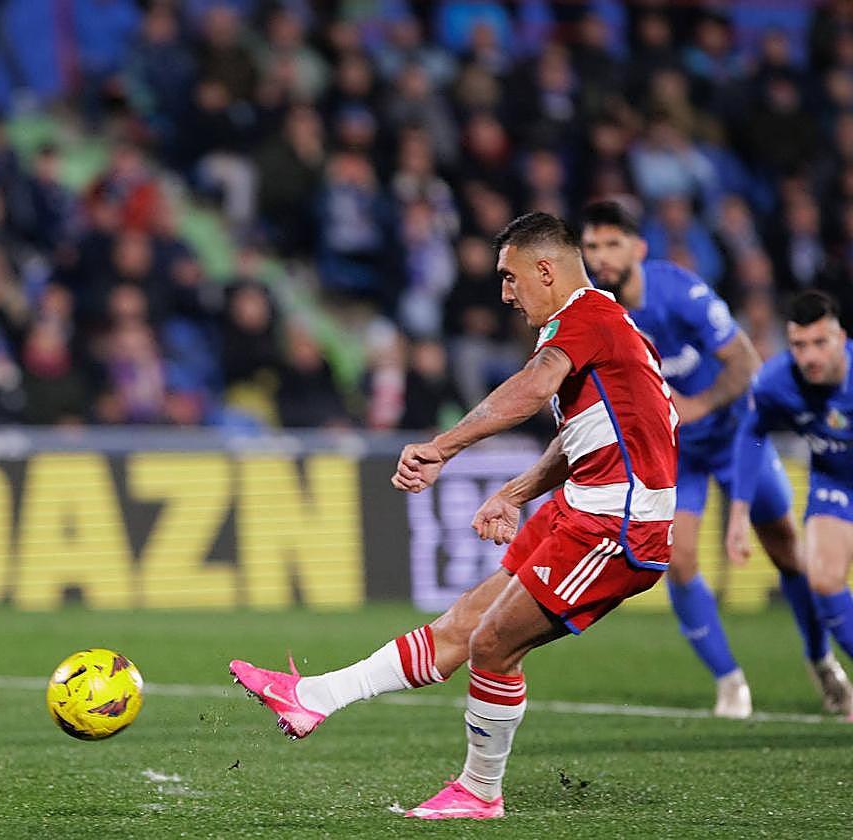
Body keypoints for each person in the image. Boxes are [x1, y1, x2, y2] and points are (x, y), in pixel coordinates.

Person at [230, 213, 679, 820]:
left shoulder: (584, 319)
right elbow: (586, 436)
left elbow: (531, 387)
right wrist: (516, 493)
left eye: (511, 277)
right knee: (465, 622)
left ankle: (479, 791)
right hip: (582, 506)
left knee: (493, 644)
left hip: (617, 526)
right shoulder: (604, 327)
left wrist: (443, 447)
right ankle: (313, 697)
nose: (506, 294)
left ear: (546, 269)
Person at [579, 201, 849, 718]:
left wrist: (697, 406)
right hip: (676, 454)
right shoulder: (595, 311)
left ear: (638, 248)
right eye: (591, 246)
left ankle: (820, 660)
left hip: (734, 439)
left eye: (612, 244)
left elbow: (744, 360)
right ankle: (730, 682)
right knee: (678, 560)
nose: (601, 256)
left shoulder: (680, 293)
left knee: (786, 549)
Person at [727, 290, 853, 722]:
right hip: (835, 482)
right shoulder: (776, 382)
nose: (810, 357)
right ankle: (830, 671)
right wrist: (738, 513)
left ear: (841, 339)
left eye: (820, 343)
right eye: (799, 345)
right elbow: (752, 434)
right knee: (824, 579)